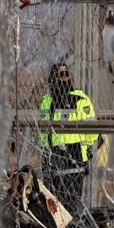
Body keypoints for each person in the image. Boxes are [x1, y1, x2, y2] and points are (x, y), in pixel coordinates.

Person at [38, 63, 98, 209]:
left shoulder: (79, 98)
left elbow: (91, 128)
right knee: (52, 199)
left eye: (66, 74)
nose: (64, 78)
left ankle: (71, 227)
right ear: (52, 78)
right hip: (52, 153)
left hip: (74, 152)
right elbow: (43, 130)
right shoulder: (46, 100)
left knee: (71, 199)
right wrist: (44, 150)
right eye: (60, 75)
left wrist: (87, 147)